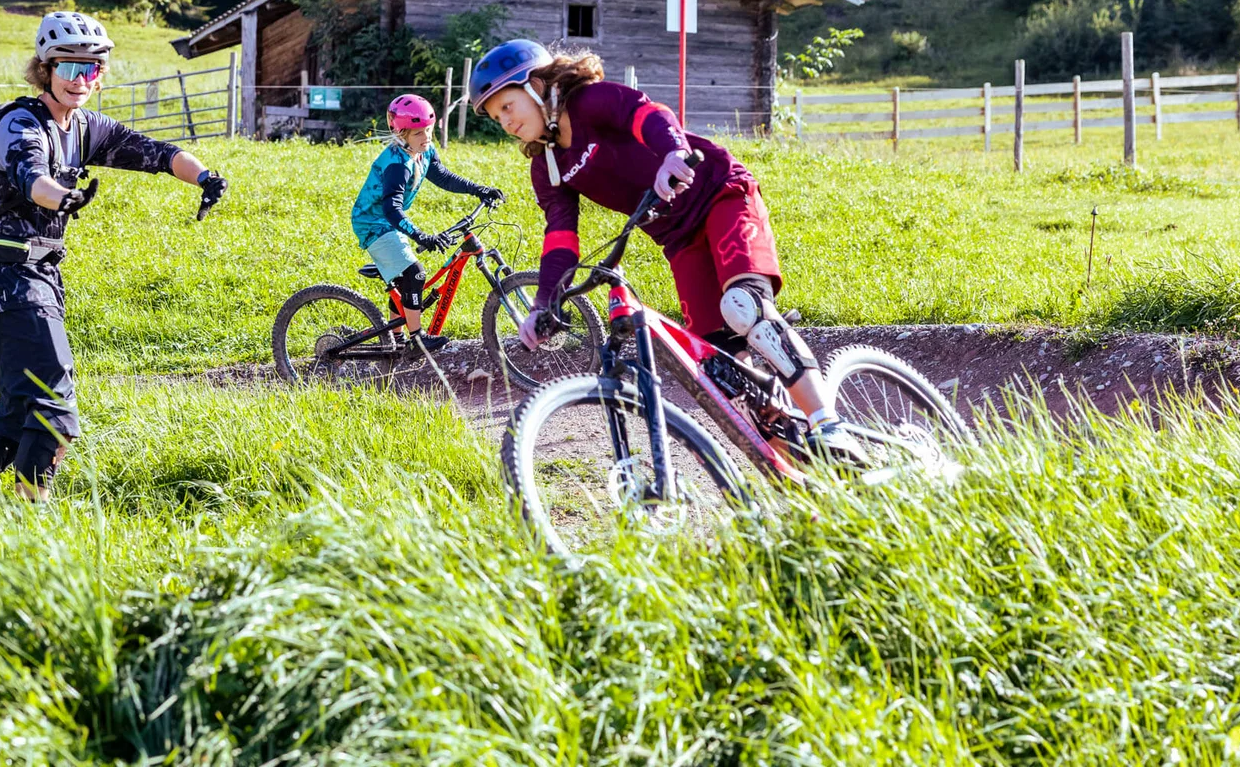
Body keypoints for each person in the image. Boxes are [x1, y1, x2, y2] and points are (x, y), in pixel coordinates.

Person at [468, 39, 864, 463]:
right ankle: (798, 460)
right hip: (678, 238)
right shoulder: (547, 166)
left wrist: (674, 151)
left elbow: (647, 114)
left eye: (507, 106)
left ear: (536, 86)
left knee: (744, 307)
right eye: (496, 116)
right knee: (717, 364)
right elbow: (561, 235)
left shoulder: (588, 102)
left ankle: (830, 425)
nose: (505, 122)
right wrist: (544, 303)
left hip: (720, 194)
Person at [0, 11, 230, 502]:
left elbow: (154, 152)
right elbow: (32, 178)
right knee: (54, 405)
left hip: (42, 273)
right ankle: (30, 517)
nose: (80, 80)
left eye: (91, 69)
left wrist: (205, 177)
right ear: (45, 69)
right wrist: (63, 197)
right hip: (10, 275)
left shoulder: (83, 126)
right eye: (68, 67)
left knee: (21, 406)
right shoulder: (20, 124)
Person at [349, 93, 504, 352]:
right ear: (401, 134)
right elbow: (391, 209)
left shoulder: (424, 151)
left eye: (429, 130)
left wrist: (479, 189)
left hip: (388, 220)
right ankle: (417, 339)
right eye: (418, 133)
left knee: (403, 276)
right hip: (373, 223)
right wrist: (422, 236)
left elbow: (443, 177)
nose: (427, 137)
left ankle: (396, 338)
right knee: (415, 272)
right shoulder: (397, 164)